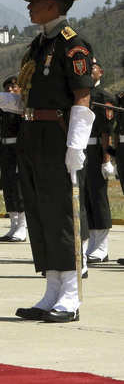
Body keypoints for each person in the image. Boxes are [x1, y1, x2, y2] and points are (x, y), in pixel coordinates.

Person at [0, 0, 95, 323]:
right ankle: (51, 289)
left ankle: (70, 295)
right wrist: (6, 100)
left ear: (54, 5)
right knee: (38, 211)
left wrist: (76, 145)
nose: (30, 7)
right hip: (33, 133)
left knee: (61, 212)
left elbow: (82, 97)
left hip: (57, 134)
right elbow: (31, 96)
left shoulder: (72, 45)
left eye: (35, 2)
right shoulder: (38, 46)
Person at [81, 62, 116, 263]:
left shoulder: (104, 97)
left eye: (92, 69)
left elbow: (106, 133)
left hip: (96, 150)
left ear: (100, 72)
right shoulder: (80, 95)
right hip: (83, 150)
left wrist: (106, 160)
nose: (89, 72)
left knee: (98, 196)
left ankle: (101, 247)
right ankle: (92, 244)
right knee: (86, 197)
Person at [0, 76, 27, 242]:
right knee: (8, 187)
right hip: (6, 148)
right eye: (7, 87)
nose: (10, 90)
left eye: (13, 87)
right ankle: (14, 225)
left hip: (18, 148)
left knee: (18, 188)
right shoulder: (3, 108)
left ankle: (22, 226)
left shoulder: (21, 106)